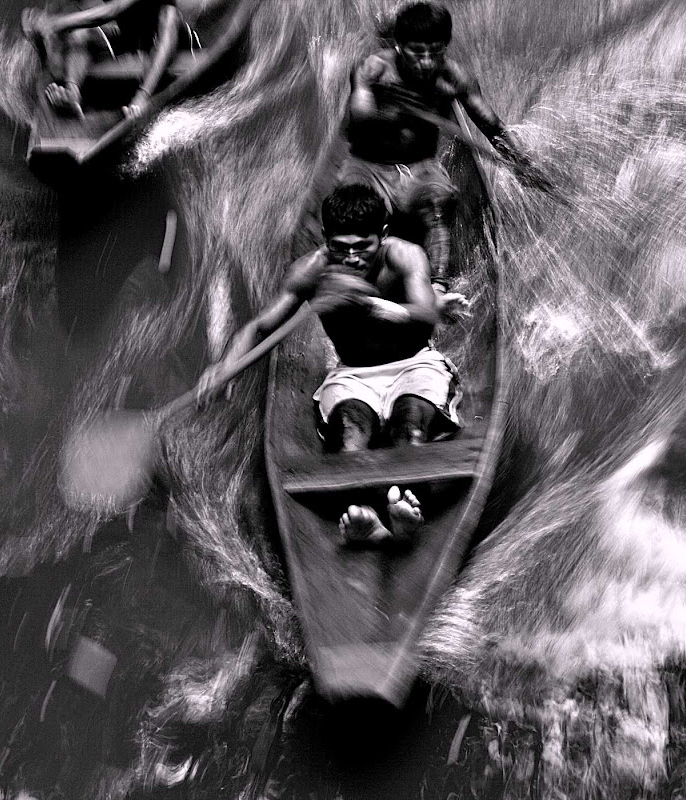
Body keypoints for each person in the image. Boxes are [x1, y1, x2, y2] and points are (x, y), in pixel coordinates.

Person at [196, 184, 463, 546]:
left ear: (382, 236)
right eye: (340, 248)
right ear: (325, 238)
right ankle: (369, 519)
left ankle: (404, 513)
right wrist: (225, 366)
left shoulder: (405, 255)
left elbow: (427, 315)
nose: (351, 258)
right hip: (352, 375)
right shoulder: (311, 270)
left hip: (413, 365)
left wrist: (369, 306)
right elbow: (261, 327)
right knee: (348, 438)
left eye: (362, 247)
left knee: (409, 430)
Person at [341, 1, 550, 288]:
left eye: (435, 53)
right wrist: (391, 109)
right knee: (357, 216)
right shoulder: (373, 69)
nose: (426, 62)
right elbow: (357, 121)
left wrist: (521, 165)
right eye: (417, 52)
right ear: (398, 45)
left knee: (439, 203)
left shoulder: (454, 76)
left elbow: (491, 125)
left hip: (420, 165)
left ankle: (438, 287)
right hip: (371, 165)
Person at [21, 0, 186, 120]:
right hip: (130, 41)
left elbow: (112, 10)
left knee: (170, 15)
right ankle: (73, 94)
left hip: (169, 44)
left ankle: (144, 94)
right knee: (80, 34)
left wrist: (53, 23)